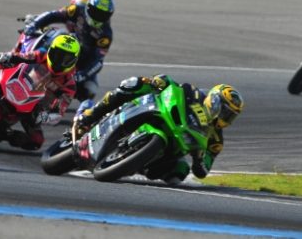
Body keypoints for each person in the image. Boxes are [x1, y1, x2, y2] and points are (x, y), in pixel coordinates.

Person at [73, 75, 243, 185]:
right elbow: (175, 87)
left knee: (179, 173)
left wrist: (200, 157)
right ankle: (91, 114)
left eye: (230, 116)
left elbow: (203, 171)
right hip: (161, 114)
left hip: (171, 147)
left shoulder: (216, 141)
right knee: (135, 84)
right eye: (224, 111)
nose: (225, 117)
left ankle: (139, 162)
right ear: (214, 101)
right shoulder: (195, 94)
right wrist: (161, 81)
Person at [0, 32, 80, 150]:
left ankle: (3, 134)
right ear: (50, 50)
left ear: (74, 60)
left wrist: (44, 117)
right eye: (57, 54)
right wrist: (7, 57)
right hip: (18, 84)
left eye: (66, 58)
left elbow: (59, 112)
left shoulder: (69, 84)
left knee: (36, 141)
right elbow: (23, 56)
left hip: (33, 108)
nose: (60, 60)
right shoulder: (41, 55)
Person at [24, 0, 115, 114]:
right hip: (65, 48)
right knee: (58, 35)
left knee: (90, 89)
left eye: (103, 15)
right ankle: (28, 62)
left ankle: (71, 112)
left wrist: (82, 75)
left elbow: (98, 62)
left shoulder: (105, 34)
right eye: (96, 12)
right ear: (88, 7)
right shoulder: (76, 10)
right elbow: (53, 15)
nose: (98, 17)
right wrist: (34, 25)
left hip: (81, 62)